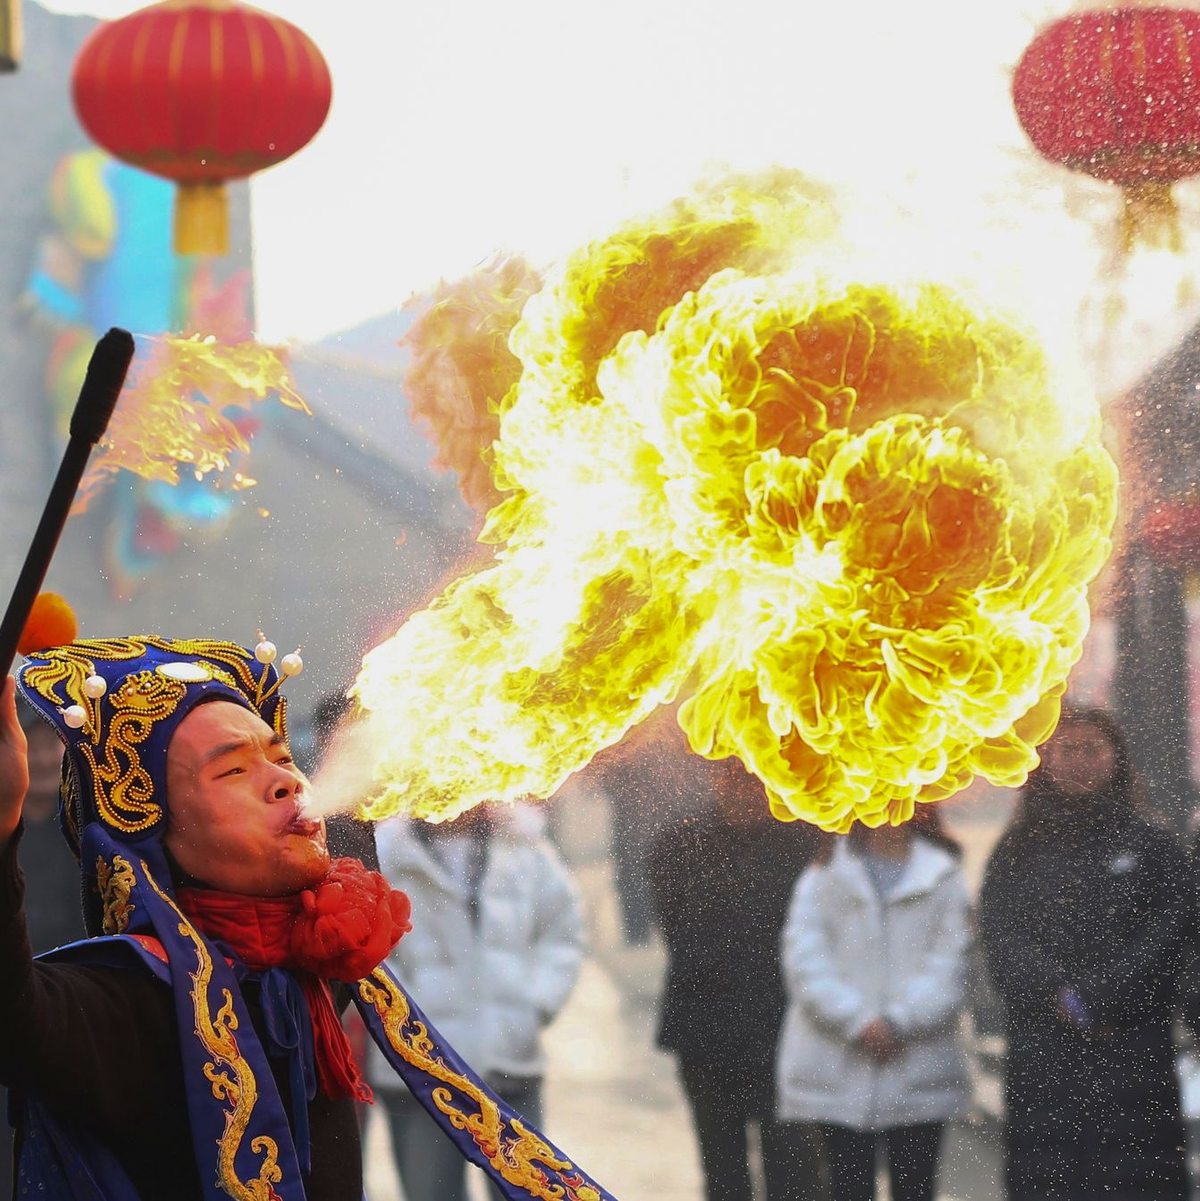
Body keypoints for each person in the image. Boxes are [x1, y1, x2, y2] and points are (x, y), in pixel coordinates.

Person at [0, 634, 615, 1201]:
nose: (287, 783)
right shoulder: (126, 996)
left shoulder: (308, 963)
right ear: (157, 830)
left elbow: (344, 841)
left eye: (282, 756)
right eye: (233, 769)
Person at [979, 708, 1195, 1201]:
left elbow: (1170, 933)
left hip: (1131, 1050)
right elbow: (1002, 934)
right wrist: (1058, 995)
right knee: (1049, 1181)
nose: (1081, 761)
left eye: (1093, 748)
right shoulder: (1019, 849)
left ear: (1117, 758)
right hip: (1044, 1055)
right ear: (1046, 759)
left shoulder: (1154, 845)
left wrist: (1101, 996)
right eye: (1068, 749)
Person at [371, 799, 585, 1201]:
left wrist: (533, 1005)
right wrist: (408, 1025)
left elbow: (563, 930)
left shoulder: (521, 843)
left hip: (509, 1068)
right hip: (420, 1078)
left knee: (524, 1194)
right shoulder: (386, 853)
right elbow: (371, 958)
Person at [649, 757, 828, 1201]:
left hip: (783, 1029)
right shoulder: (680, 845)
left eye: (754, 783)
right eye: (735, 781)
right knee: (723, 1168)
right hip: (706, 1030)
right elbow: (677, 928)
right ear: (719, 782)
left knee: (793, 1169)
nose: (744, 793)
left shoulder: (802, 844)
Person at [776, 808, 971, 1201]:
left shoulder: (943, 874)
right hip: (837, 1067)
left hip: (919, 1068)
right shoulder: (824, 872)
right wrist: (857, 1021)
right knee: (847, 1189)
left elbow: (953, 961)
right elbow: (805, 958)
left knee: (915, 1189)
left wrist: (900, 1021)